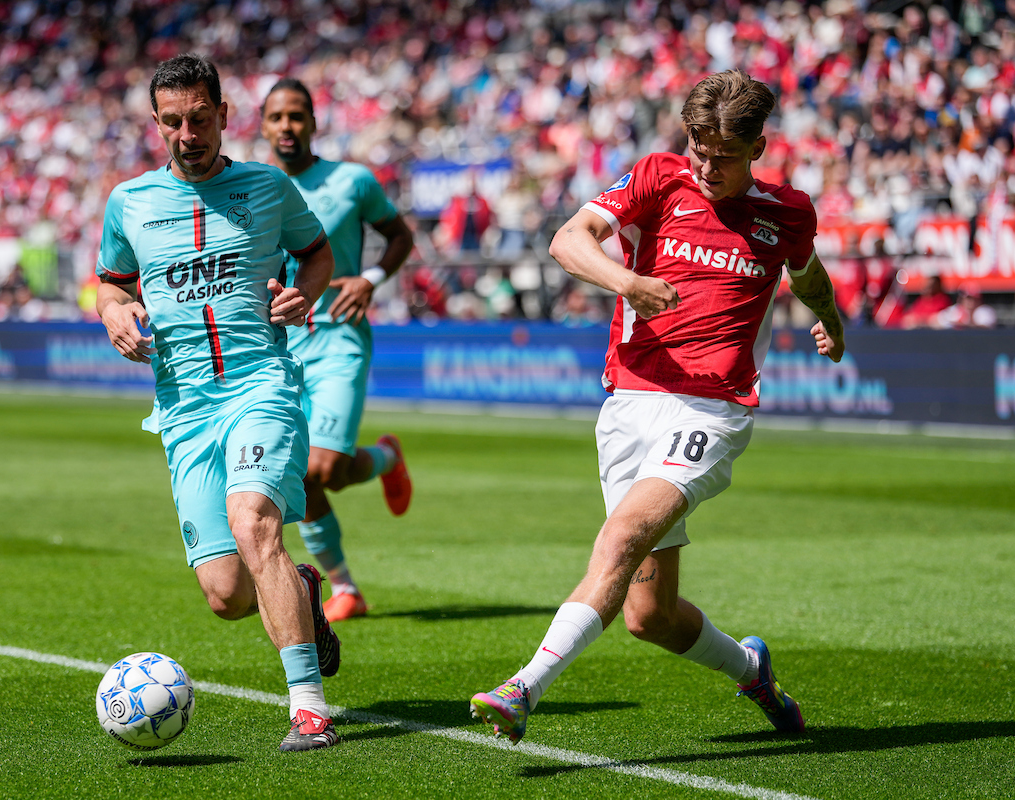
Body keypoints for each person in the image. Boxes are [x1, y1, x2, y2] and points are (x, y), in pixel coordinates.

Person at [470, 70, 845, 743]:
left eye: (722, 156)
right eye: (697, 148)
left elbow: (805, 270)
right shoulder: (657, 176)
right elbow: (569, 238)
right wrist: (628, 281)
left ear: (758, 148)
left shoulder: (786, 210)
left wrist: (833, 321)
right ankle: (751, 668)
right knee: (650, 614)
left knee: (618, 540)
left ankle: (522, 688)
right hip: (628, 404)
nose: (705, 166)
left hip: (711, 411)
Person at [95, 54, 342, 752]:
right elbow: (111, 284)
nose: (187, 134)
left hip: (261, 384)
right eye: (171, 122)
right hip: (184, 410)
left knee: (253, 522)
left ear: (224, 115)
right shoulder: (130, 202)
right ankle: (301, 590)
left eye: (199, 119)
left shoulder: (267, 188)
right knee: (228, 595)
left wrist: (307, 292)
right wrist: (113, 313)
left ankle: (309, 708)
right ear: (156, 124)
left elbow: (316, 253)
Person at [260, 78, 415, 622]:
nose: (287, 126)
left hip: (339, 336)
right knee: (301, 471)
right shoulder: (252, 188)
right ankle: (347, 587)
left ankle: (385, 462)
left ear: (313, 123)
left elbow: (400, 236)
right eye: (276, 117)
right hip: (278, 345)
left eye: (297, 116)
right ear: (261, 124)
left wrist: (370, 277)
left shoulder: (352, 180)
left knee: (317, 469)